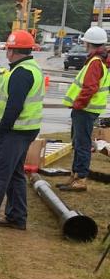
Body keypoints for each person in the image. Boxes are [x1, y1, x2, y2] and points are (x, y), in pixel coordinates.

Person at [0, 30, 45, 230]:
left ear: (11, 51)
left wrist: (2, 129)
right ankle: (17, 216)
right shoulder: (30, 68)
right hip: (25, 130)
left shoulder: (21, 72)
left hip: (14, 131)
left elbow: (14, 106)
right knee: (16, 174)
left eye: (8, 49)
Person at [58, 26, 110, 192]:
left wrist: (78, 104)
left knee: (82, 144)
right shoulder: (100, 60)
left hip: (85, 110)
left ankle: (80, 178)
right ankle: (75, 176)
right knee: (79, 142)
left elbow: (89, 87)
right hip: (88, 109)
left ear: (89, 43)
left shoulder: (95, 62)